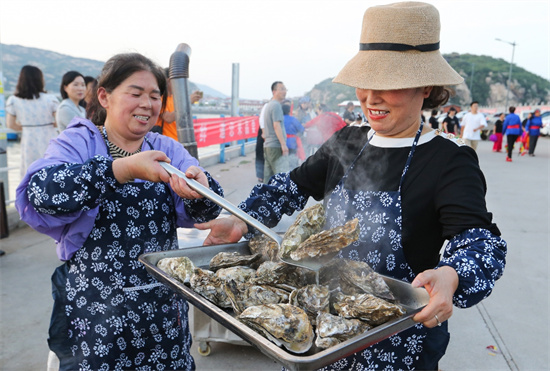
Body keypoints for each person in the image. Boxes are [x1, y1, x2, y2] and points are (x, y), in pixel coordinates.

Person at [195, 3, 506, 370]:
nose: (371, 98)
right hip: (324, 331)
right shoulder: (349, 140)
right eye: (366, 82)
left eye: (388, 85)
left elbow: (481, 242)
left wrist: (451, 275)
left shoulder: (447, 158)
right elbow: (291, 185)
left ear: (426, 86)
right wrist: (243, 218)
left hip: (398, 338)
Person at [15, 53, 224, 370]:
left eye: (155, 96)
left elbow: (209, 207)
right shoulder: (79, 140)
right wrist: (120, 170)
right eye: (136, 93)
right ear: (104, 95)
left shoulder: (166, 148)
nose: (147, 104)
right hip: (97, 309)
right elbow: (43, 191)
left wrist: (200, 187)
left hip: (162, 307)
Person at [5, 65, 59, 177]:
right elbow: (59, 120)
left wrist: (26, 127)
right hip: (49, 135)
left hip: (28, 138)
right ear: (40, 80)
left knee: (30, 171)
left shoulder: (14, 100)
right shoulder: (50, 99)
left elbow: (10, 124)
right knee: (51, 169)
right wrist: (50, 124)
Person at [151, 67, 202, 140]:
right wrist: (187, 102)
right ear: (169, 81)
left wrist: (187, 103)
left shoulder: (175, 98)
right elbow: (168, 118)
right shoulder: (160, 98)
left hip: (177, 140)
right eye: (178, 82)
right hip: (166, 141)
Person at [262, 81, 289, 182]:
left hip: (268, 146)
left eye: (285, 89)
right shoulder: (276, 105)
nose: (284, 91)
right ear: (274, 91)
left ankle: (264, 197)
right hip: (276, 146)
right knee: (281, 178)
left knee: (268, 179)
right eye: (281, 89)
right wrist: (283, 145)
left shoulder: (269, 105)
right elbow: (276, 125)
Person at [282, 102, 305, 169]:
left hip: (281, 143)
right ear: (289, 111)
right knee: (293, 162)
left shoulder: (279, 120)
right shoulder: (293, 119)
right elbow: (301, 129)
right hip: (292, 143)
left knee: (282, 162)